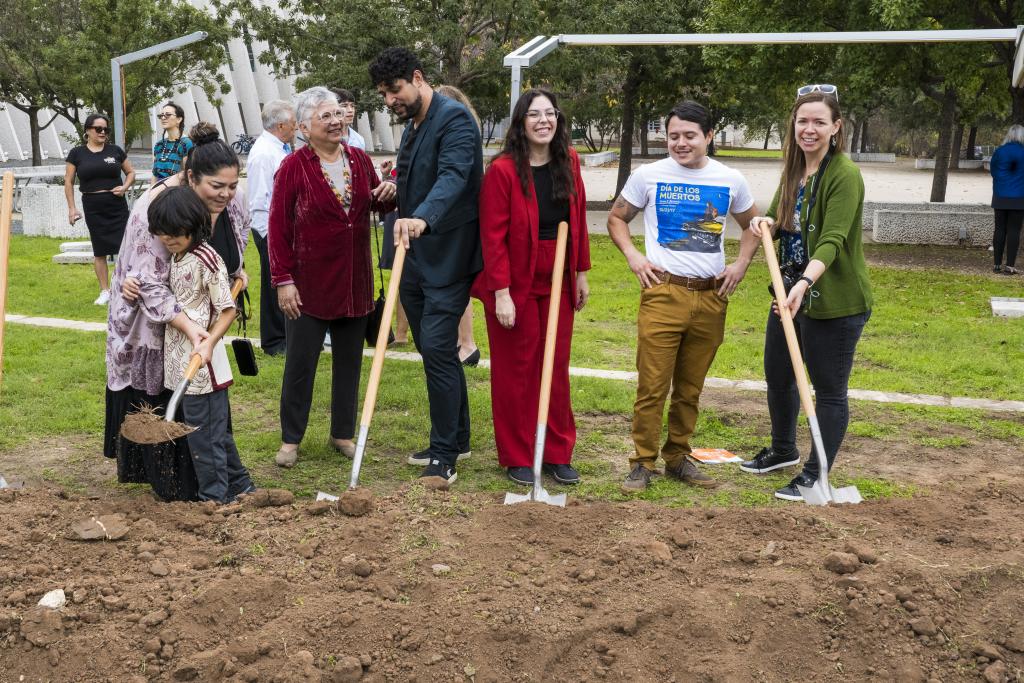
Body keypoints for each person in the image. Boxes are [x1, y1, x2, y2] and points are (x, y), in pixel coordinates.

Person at [608, 100, 760, 493]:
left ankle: (678, 456)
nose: (679, 143)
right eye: (673, 135)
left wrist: (740, 265)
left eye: (689, 136)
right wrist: (634, 257)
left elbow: (753, 226)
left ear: (709, 136)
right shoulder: (649, 175)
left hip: (711, 298)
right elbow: (616, 218)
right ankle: (642, 462)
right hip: (664, 292)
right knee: (652, 386)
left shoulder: (730, 179)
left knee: (690, 388)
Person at [739, 86, 872, 501]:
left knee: (828, 389)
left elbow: (832, 240)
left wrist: (804, 283)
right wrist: (764, 223)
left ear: (836, 127)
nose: (809, 129)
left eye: (818, 122)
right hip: (788, 293)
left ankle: (816, 474)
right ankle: (782, 450)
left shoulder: (844, 174)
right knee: (778, 376)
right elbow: (779, 219)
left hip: (830, 300)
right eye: (802, 121)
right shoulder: (795, 171)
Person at [106, 122, 251, 498]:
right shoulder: (159, 212)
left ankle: (218, 492)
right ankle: (207, 485)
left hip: (202, 344)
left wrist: (233, 274)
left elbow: (226, 295)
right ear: (190, 178)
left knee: (207, 421)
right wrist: (188, 328)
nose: (226, 195)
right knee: (194, 413)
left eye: (232, 186)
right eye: (216, 187)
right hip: (168, 337)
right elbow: (149, 281)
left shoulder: (207, 244)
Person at [267, 86, 396, 468]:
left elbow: (370, 203)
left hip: (355, 282)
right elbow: (277, 227)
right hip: (308, 285)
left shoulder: (358, 158)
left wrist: (387, 193)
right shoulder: (293, 167)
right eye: (325, 116)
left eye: (338, 113)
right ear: (305, 126)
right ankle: (291, 439)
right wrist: (283, 279)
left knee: (349, 362)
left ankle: (342, 433)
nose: (336, 121)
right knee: (300, 364)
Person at [370, 47, 482, 484]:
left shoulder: (453, 119)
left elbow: (454, 177)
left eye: (393, 90)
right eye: (383, 94)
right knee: (430, 348)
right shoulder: (414, 125)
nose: (388, 101)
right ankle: (460, 437)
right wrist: (395, 193)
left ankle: (444, 455)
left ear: (417, 78)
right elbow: (419, 176)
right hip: (413, 256)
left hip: (448, 255)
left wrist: (422, 216)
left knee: (437, 347)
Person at [473, 88, 591, 486]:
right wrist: (502, 293)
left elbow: (577, 220)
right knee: (517, 369)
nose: (544, 120)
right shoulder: (504, 170)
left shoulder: (569, 161)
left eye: (550, 113)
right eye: (535, 114)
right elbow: (492, 236)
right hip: (514, 277)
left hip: (557, 271)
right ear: (521, 123)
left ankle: (557, 451)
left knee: (554, 366)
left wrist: (580, 273)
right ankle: (519, 454)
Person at [148, 186, 255, 503]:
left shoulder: (206, 259)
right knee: (215, 432)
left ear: (193, 225)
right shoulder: (176, 256)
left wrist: (209, 344)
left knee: (203, 437)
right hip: (182, 359)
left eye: (175, 233)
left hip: (203, 368)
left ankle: (214, 500)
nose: (168, 240)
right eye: (163, 234)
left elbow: (228, 310)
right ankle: (241, 485)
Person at [64, 113, 135, 305]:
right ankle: (105, 291)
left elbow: (130, 173)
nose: (103, 132)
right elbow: (68, 182)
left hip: (116, 205)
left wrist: (125, 187)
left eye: (106, 129)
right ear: (88, 130)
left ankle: (124, 287)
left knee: (125, 247)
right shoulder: (77, 153)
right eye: (98, 129)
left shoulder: (115, 151)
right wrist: (72, 208)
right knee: (99, 249)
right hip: (93, 206)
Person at [246, 99, 296, 356]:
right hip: (268, 228)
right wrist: (267, 234)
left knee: (286, 280)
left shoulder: (279, 147)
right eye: (293, 123)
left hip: (282, 228)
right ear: (280, 125)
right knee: (273, 284)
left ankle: (288, 335)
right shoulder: (265, 152)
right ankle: (275, 341)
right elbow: (259, 197)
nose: (296, 127)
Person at [436, 84, 482, 367]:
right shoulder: (465, 127)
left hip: (458, 220)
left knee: (457, 285)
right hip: (454, 218)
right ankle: (459, 341)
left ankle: (466, 343)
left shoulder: (458, 132)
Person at [990, 124, 1024, 275]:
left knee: (999, 229)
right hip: (1018, 196)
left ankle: (997, 264)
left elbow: (993, 170)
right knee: (1014, 230)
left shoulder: (999, 152)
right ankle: (1009, 266)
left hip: (1000, 195)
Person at [151, 102, 194, 181]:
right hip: (157, 191)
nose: (163, 118)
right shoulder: (159, 145)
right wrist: (151, 192)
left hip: (176, 190)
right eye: (161, 115)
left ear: (179, 119)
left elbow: (187, 176)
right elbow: (154, 175)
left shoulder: (186, 144)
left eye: (168, 115)